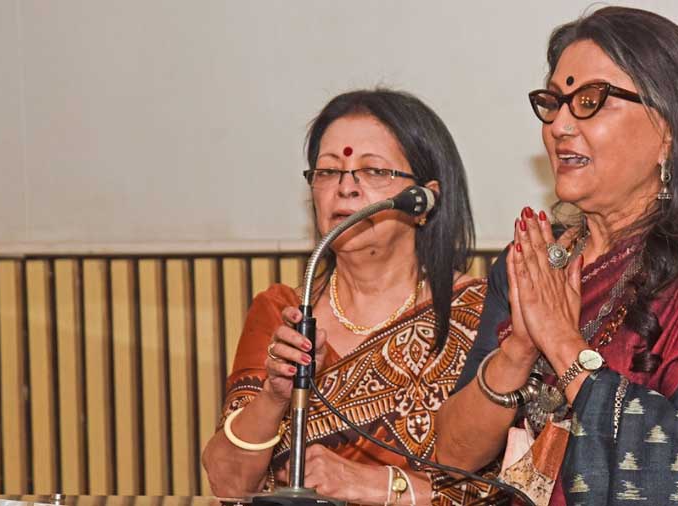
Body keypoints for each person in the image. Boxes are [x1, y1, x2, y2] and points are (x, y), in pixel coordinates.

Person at [434, 6, 678, 505]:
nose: (559, 125)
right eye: (553, 102)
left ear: (668, 130)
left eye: (589, 101)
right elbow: (450, 458)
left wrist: (563, 346)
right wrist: (519, 351)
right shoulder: (531, 267)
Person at [202, 89, 493, 505]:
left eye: (373, 171)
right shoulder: (283, 313)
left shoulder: (481, 313)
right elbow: (228, 484)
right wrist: (274, 397)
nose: (346, 189)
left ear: (424, 201)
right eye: (327, 172)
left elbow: (515, 490)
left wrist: (382, 486)